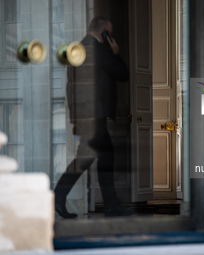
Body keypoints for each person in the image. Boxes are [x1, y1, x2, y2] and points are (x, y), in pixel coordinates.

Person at [54, 17, 130, 218]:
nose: (110, 37)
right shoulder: (100, 49)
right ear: (104, 32)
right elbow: (122, 74)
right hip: (94, 116)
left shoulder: (77, 48)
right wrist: (116, 53)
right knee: (94, 158)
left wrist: (76, 119)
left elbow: (71, 87)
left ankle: (110, 205)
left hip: (83, 115)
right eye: (109, 33)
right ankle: (58, 197)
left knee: (97, 157)